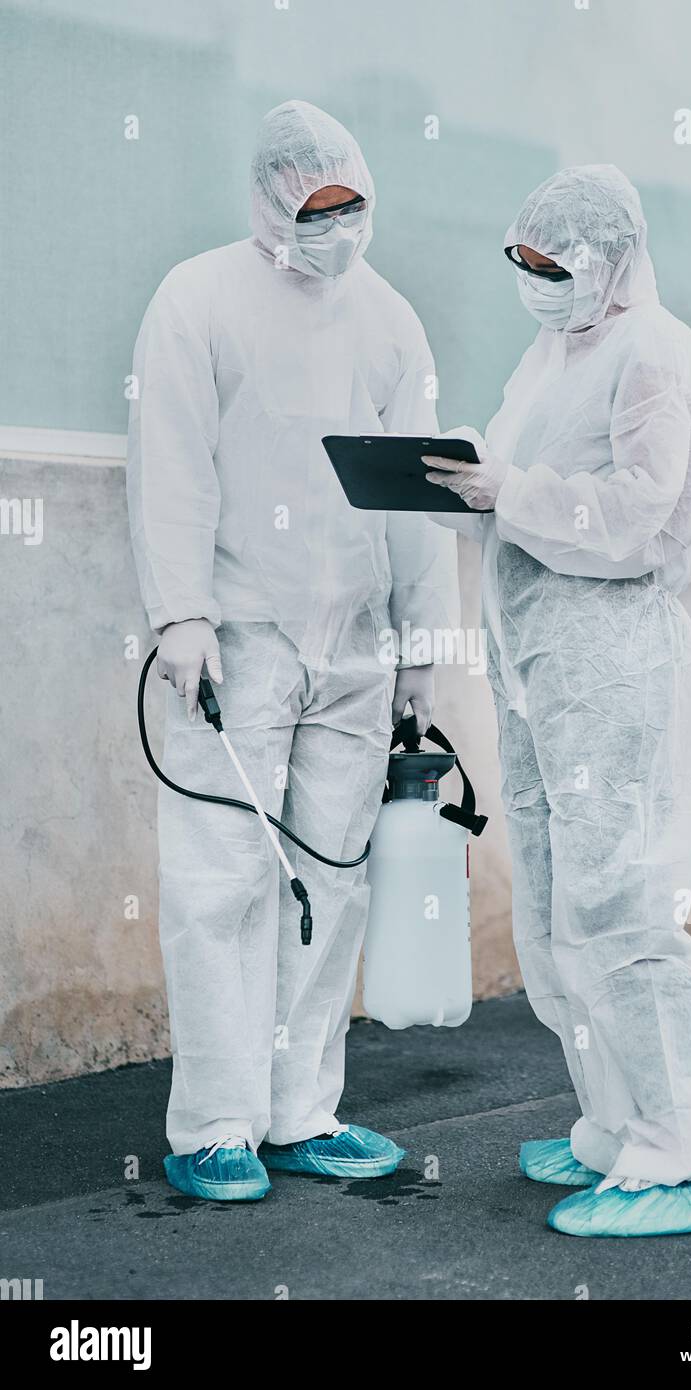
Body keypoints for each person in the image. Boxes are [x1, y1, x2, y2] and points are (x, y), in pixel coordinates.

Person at [127, 100, 457, 1201]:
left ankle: (299, 1110)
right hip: (237, 642)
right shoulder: (199, 297)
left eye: (351, 203)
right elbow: (169, 458)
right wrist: (180, 613)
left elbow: (421, 490)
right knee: (222, 883)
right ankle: (215, 1123)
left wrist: (422, 641)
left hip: (356, 644)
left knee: (334, 879)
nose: (337, 225)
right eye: (315, 205)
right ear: (271, 199)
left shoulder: (390, 320)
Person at [424, 165, 691, 1237]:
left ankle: (677, 1157)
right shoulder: (550, 355)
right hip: (538, 665)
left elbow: (635, 515)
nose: (533, 280)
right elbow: (519, 481)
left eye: (553, 264)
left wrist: (507, 492)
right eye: (519, 262)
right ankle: (612, 1125)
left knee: (619, 901)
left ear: (609, 258)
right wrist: (465, 485)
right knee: (558, 901)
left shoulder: (655, 351)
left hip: (610, 661)